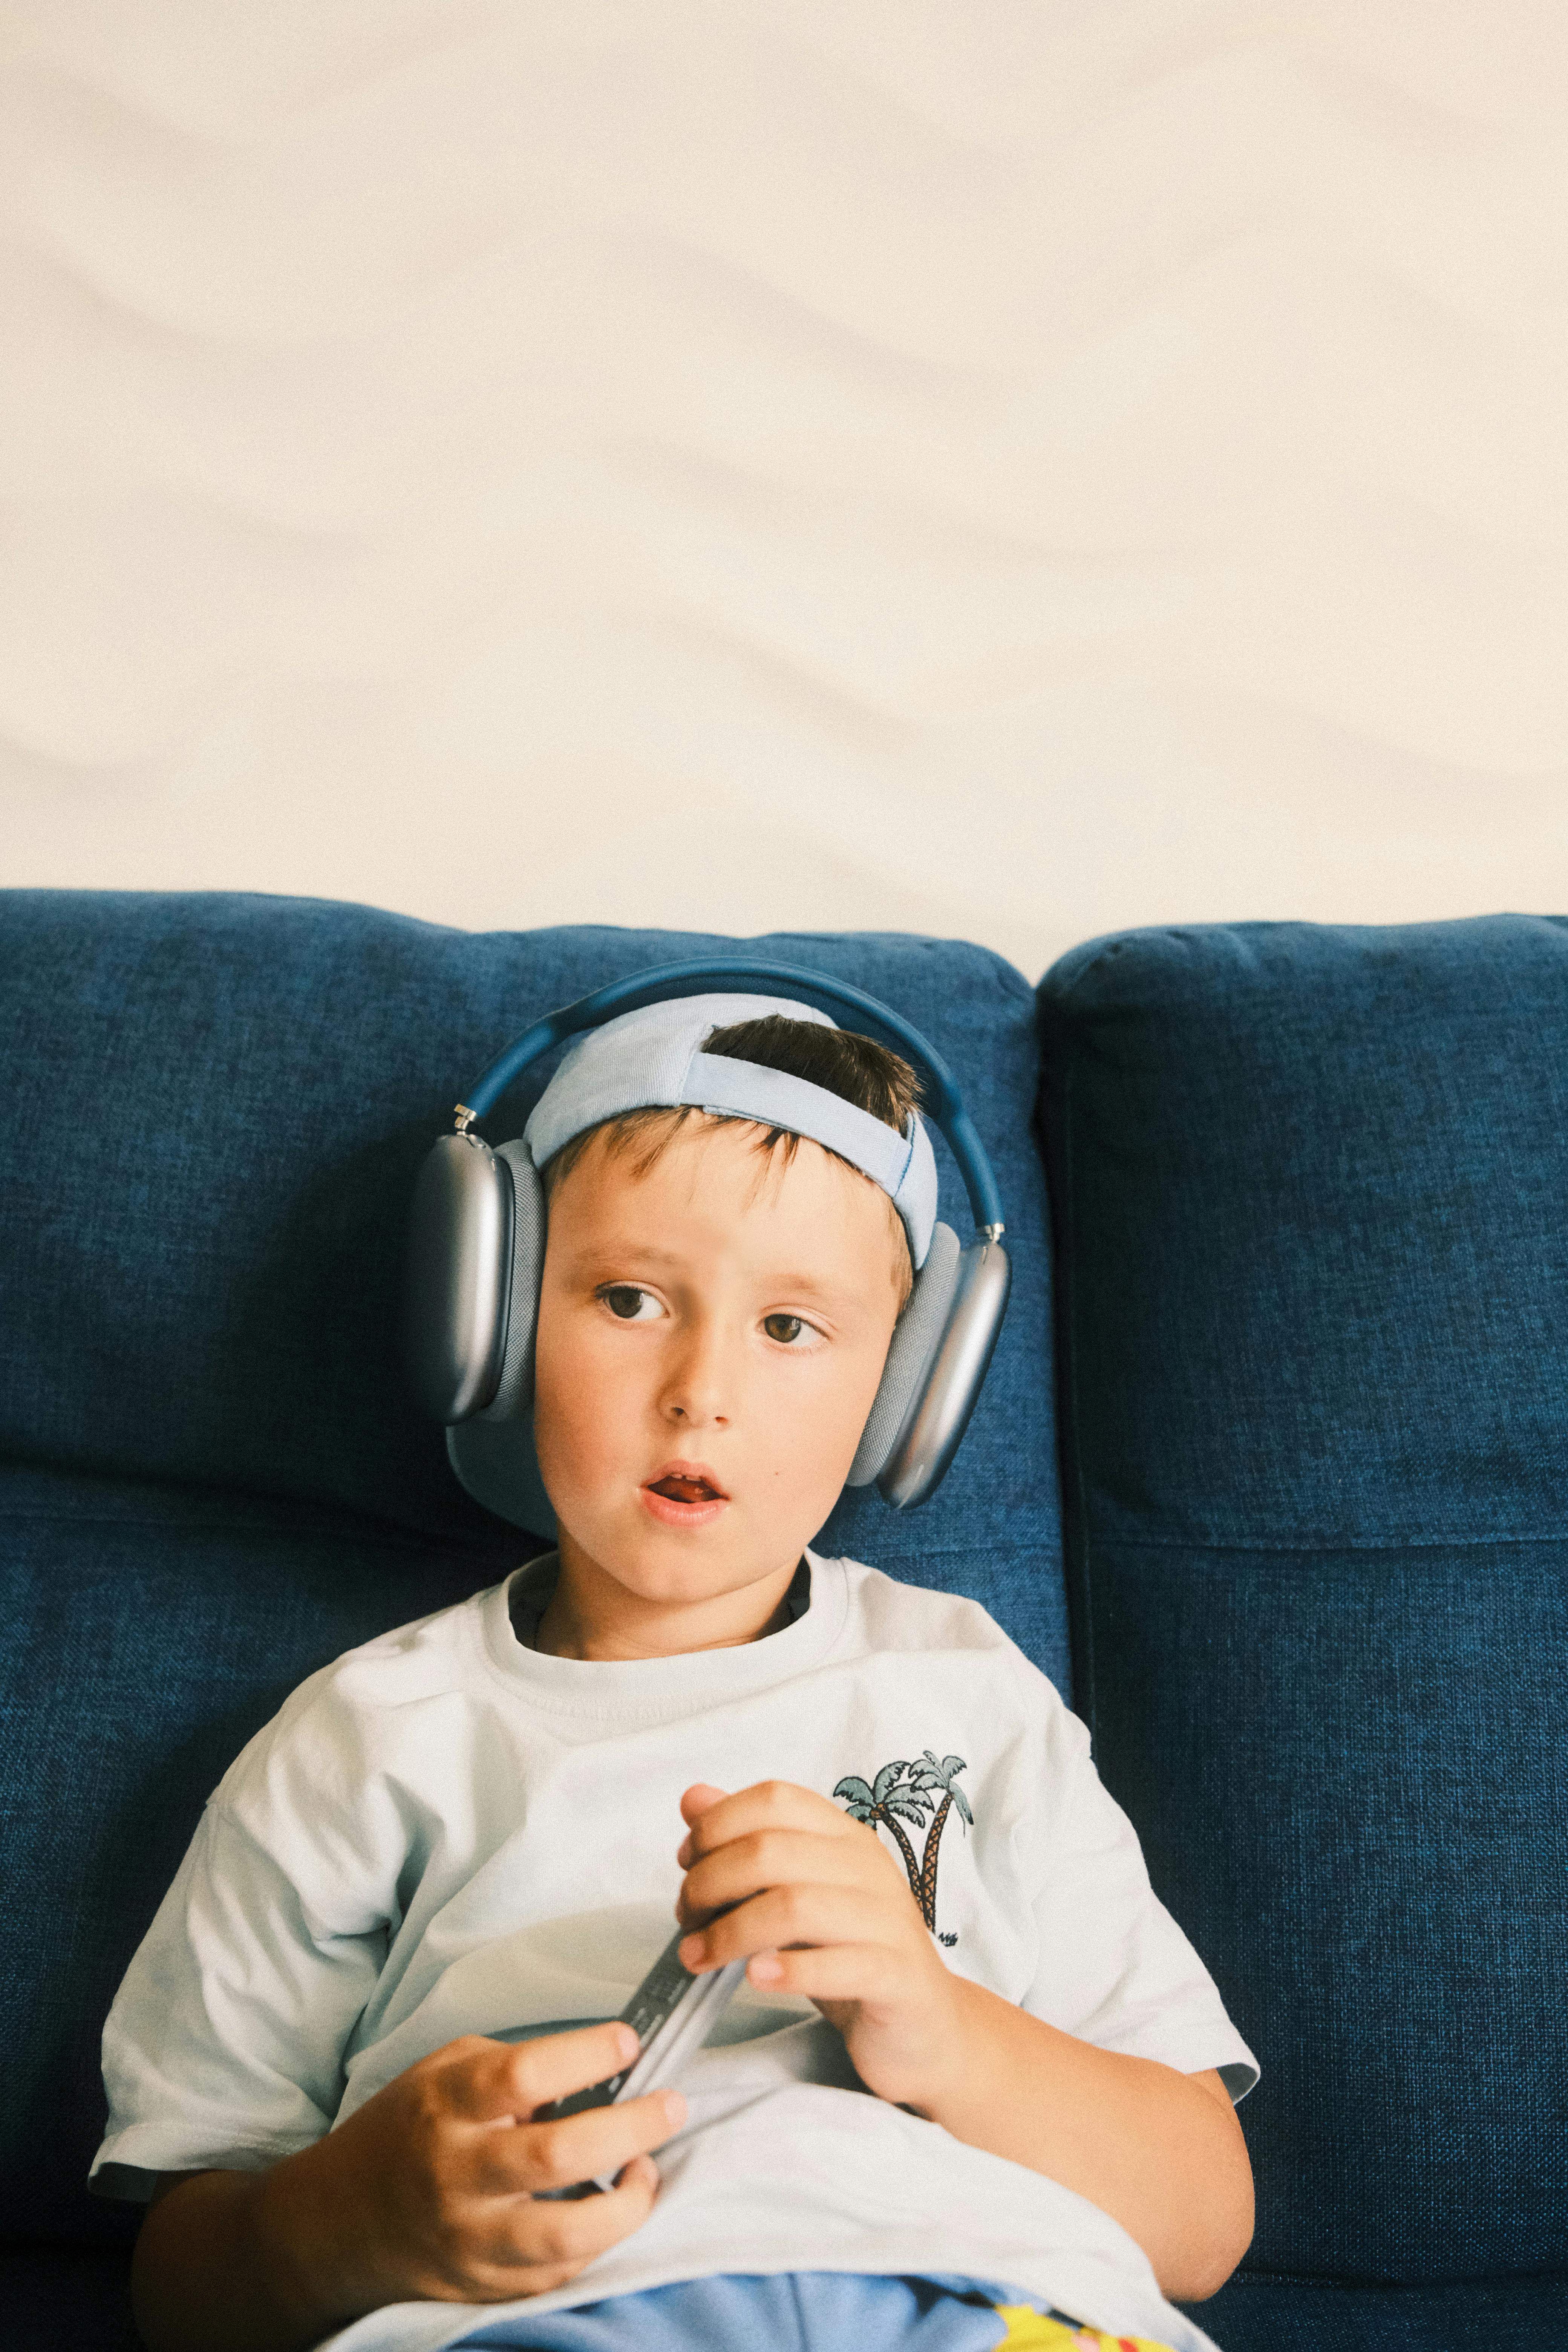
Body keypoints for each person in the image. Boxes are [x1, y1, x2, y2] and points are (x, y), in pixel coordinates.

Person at [93, 994, 1258, 2352]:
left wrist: (936, 2021)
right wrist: (354, 2216)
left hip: (981, 2301)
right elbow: (182, 2283)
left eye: (789, 1328)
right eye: (631, 1298)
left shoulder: (969, 1691)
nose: (702, 1388)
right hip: (567, 2312)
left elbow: (1202, 2224)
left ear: (905, 1392)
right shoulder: (368, 1737)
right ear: (500, 1313)